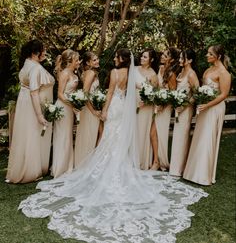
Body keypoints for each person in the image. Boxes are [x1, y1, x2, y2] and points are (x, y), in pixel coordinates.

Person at [19, 48, 207, 243]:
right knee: (118, 140)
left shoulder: (115, 73)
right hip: (124, 109)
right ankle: (119, 166)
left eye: (117, 57)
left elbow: (110, 94)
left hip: (115, 108)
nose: (115, 59)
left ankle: (108, 168)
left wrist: (105, 112)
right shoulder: (132, 72)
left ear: (120, 59)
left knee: (109, 138)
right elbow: (140, 91)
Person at [6, 40, 55, 183]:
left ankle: (27, 166)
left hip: (25, 104)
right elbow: (34, 92)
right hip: (34, 106)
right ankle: (31, 170)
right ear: (36, 52)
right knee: (33, 134)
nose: (45, 52)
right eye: (44, 49)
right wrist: (39, 115)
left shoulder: (27, 64)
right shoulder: (35, 68)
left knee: (27, 134)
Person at [183, 45, 231, 185]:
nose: (207, 55)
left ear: (219, 56)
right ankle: (192, 172)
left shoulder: (224, 73)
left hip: (214, 108)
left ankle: (203, 175)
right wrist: (201, 101)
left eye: (210, 53)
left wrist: (207, 105)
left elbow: (223, 94)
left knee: (207, 137)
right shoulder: (208, 70)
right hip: (204, 107)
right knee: (199, 136)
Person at [169, 49, 199, 177]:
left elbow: (197, 94)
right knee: (177, 136)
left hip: (186, 110)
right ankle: (175, 168)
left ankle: (179, 169)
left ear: (190, 60)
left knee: (182, 136)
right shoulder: (181, 72)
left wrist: (184, 105)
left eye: (183, 58)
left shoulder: (191, 74)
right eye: (180, 58)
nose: (180, 60)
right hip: (178, 108)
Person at [51, 50, 80, 178]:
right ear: (70, 61)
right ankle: (59, 168)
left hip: (69, 108)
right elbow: (60, 94)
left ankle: (68, 165)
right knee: (62, 136)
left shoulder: (72, 73)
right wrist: (73, 105)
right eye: (77, 60)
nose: (78, 62)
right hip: (63, 107)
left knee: (67, 136)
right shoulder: (64, 73)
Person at [154, 47, 180, 171]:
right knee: (154, 132)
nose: (162, 56)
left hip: (165, 106)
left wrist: (162, 105)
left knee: (161, 132)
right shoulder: (160, 69)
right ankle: (155, 159)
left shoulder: (171, 74)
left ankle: (162, 161)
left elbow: (172, 94)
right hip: (156, 104)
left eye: (166, 55)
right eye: (163, 54)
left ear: (172, 59)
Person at [74, 51, 101, 167]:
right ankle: (88, 163)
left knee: (94, 133)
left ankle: (89, 161)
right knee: (92, 134)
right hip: (90, 109)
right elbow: (85, 93)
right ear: (88, 62)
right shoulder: (90, 73)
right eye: (94, 60)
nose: (97, 61)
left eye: (97, 59)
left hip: (89, 107)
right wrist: (93, 110)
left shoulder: (86, 72)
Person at [135, 48, 159, 170]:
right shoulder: (134, 70)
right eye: (142, 56)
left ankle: (141, 160)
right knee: (133, 130)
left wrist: (145, 101)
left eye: (145, 57)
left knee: (142, 131)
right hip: (133, 105)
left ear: (151, 59)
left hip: (145, 108)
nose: (142, 58)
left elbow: (154, 94)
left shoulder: (153, 75)